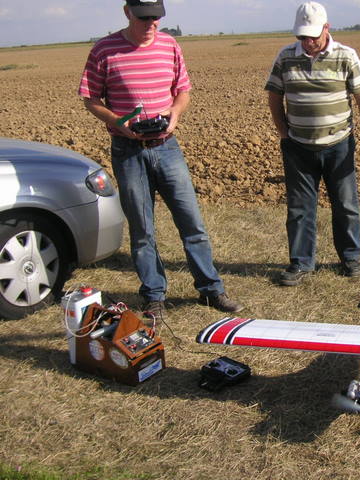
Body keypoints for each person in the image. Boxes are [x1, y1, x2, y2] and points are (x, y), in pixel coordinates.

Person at [78, 0, 243, 318]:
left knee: (192, 223)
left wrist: (175, 114)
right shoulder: (104, 50)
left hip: (167, 148)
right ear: (127, 12)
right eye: (144, 17)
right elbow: (90, 98)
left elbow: (183, 90)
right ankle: (154, 295)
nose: (151, 23)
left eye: (156, 17)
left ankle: (211, 290)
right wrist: (117, 121)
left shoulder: (169, 45)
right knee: (142, 230)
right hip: (128, 152)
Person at [265, 1, 360, 287]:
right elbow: (274, 95)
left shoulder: (346, 56)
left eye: (313, 36)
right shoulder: (285, 57)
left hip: (339, 144)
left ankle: (350, 258)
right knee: (299, 208)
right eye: (302, 36)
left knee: (346, 204)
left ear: (327, 28)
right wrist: (283, 133)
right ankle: (301, 263)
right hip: (298, 147)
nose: (308, 42)